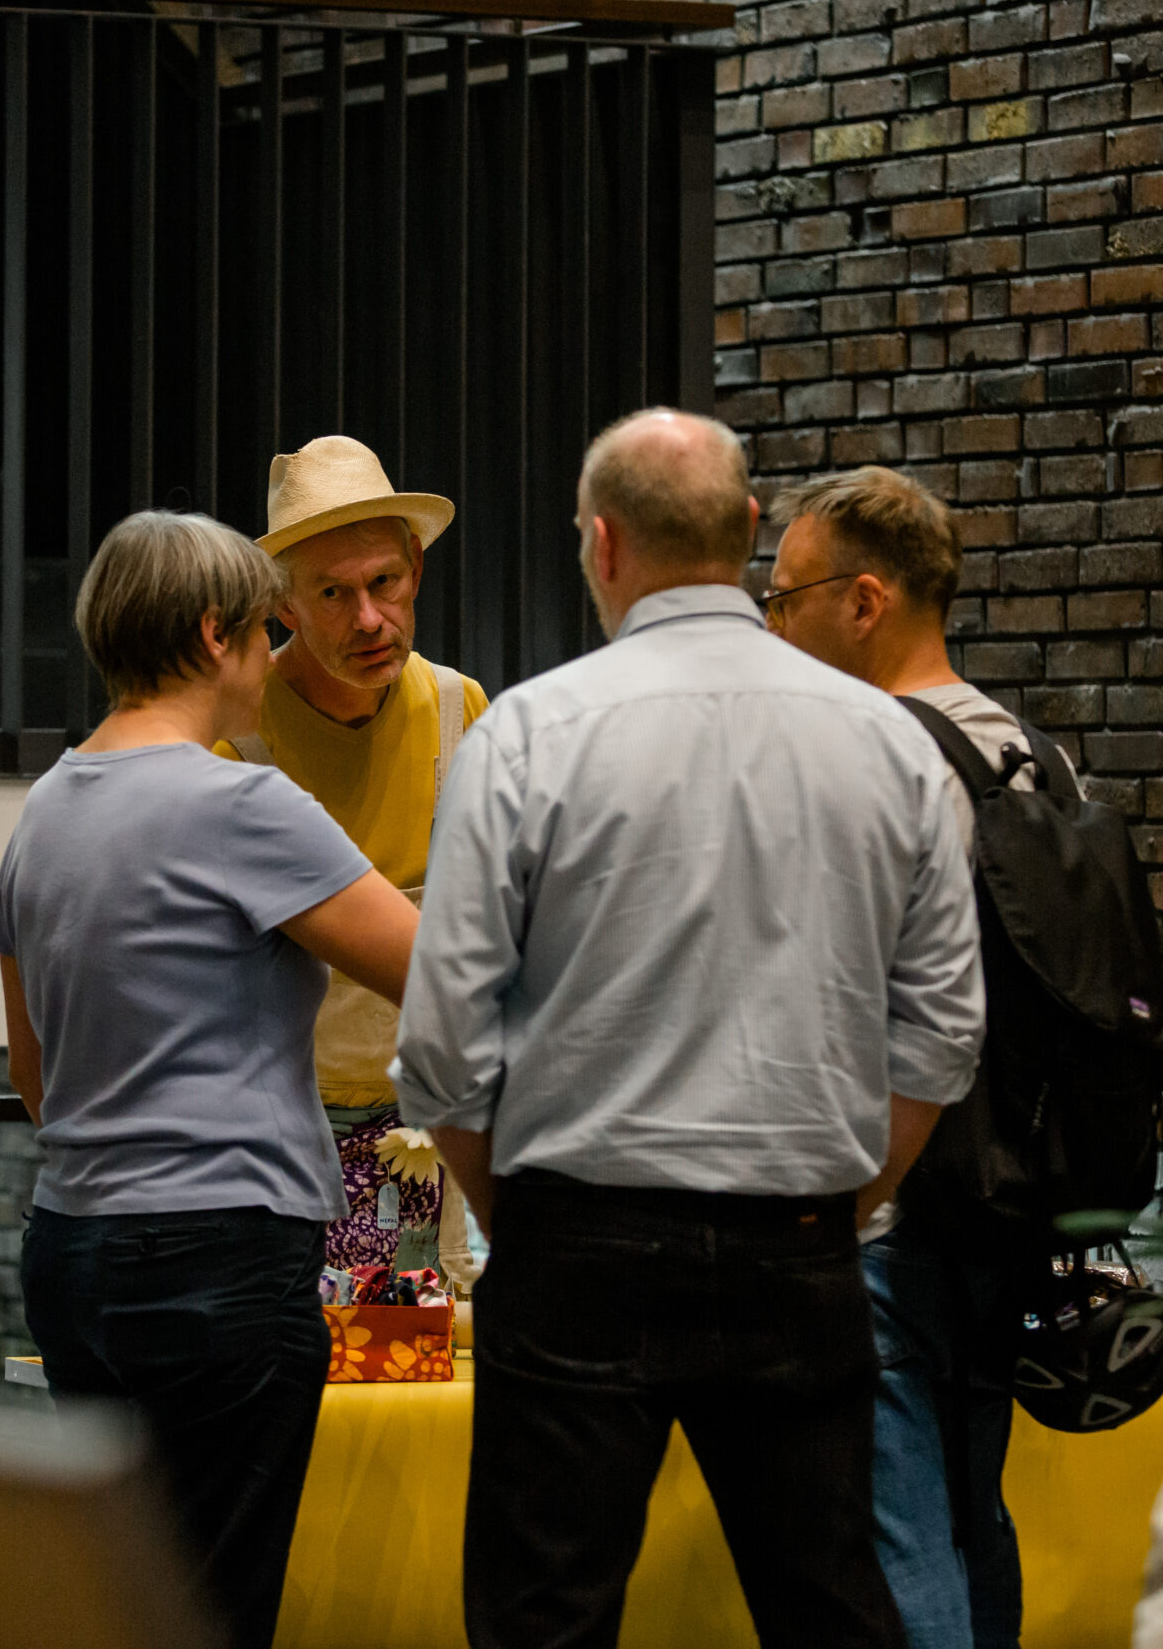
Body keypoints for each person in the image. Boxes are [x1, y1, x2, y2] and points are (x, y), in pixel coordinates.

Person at [393, 410, 985, 1649]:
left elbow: (443, 1040)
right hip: (800, 1237)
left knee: (544, 1619)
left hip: (574, 1235)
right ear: (749, 528)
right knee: (831, 1608)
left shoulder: (526, 734)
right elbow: (940, 1032)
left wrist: (522, 1213)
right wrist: (843, 1200)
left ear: (602, 543)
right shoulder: (893, 748)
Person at [0, 509, 421, 1649]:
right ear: (212, 634)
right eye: (266, 631)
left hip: (70, 1248)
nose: (276, 657)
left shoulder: (45, 808)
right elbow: (439, 971)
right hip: (219, 1253)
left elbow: (33, 1070)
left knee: (127, 1601)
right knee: (220, 1607)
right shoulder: (241, 804)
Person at [766, 465, 1067, 1649]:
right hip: (1012, 1195)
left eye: (785, 596)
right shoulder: (1033, 754)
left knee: (894, 1532)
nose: (771, 623)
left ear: (864, 599)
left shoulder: (871, 757)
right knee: (972, 1510)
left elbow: (826, 987)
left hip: (888, 1200)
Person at [218, 435, 489, 1287]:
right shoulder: (235, 739)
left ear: (417, 567)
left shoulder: (461, 711)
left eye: (385, 582)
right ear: (283, 604)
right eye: (333, 593)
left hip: (437, 1139)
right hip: (277, 1150)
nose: (369, 619)